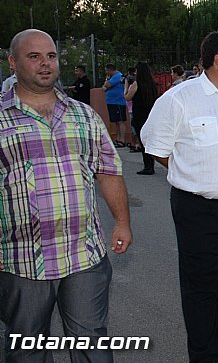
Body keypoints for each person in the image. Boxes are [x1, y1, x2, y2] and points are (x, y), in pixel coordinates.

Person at [0, 29, 132, 362]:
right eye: (34, 57)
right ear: (13, 62)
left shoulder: (84, 115)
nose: (45, 64)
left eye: (51, 56)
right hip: (20, 260)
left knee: (91, 343)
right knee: (27, 347)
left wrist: (122, 222)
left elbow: (108, 171)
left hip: (83, 255)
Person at [141, 31, 218, 363]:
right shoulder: (180, 98)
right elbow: (155, 146)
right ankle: (205, 353)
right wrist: (193, 173)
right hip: (199, 209)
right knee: (201, 286)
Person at [125, 62, 158, 175]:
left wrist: (126, 86)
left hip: (139, 115)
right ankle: (150, 164)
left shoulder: (136, 84)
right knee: (150, 140)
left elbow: (127, 97)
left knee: (143, 140)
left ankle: (148, 166)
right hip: (150, 114)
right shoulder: (152, 84)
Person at [102, 63, 127, 147]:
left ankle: (122, 140)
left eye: (106, 70)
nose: (106, 72)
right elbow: (103, 88)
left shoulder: (118, 76)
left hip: (118, 102)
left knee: (120, 121)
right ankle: (118, 139)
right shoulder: (112, 78)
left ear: (109, 70)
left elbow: (107, 85)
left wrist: (107, 81)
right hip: (111, 102)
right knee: (116, 122)